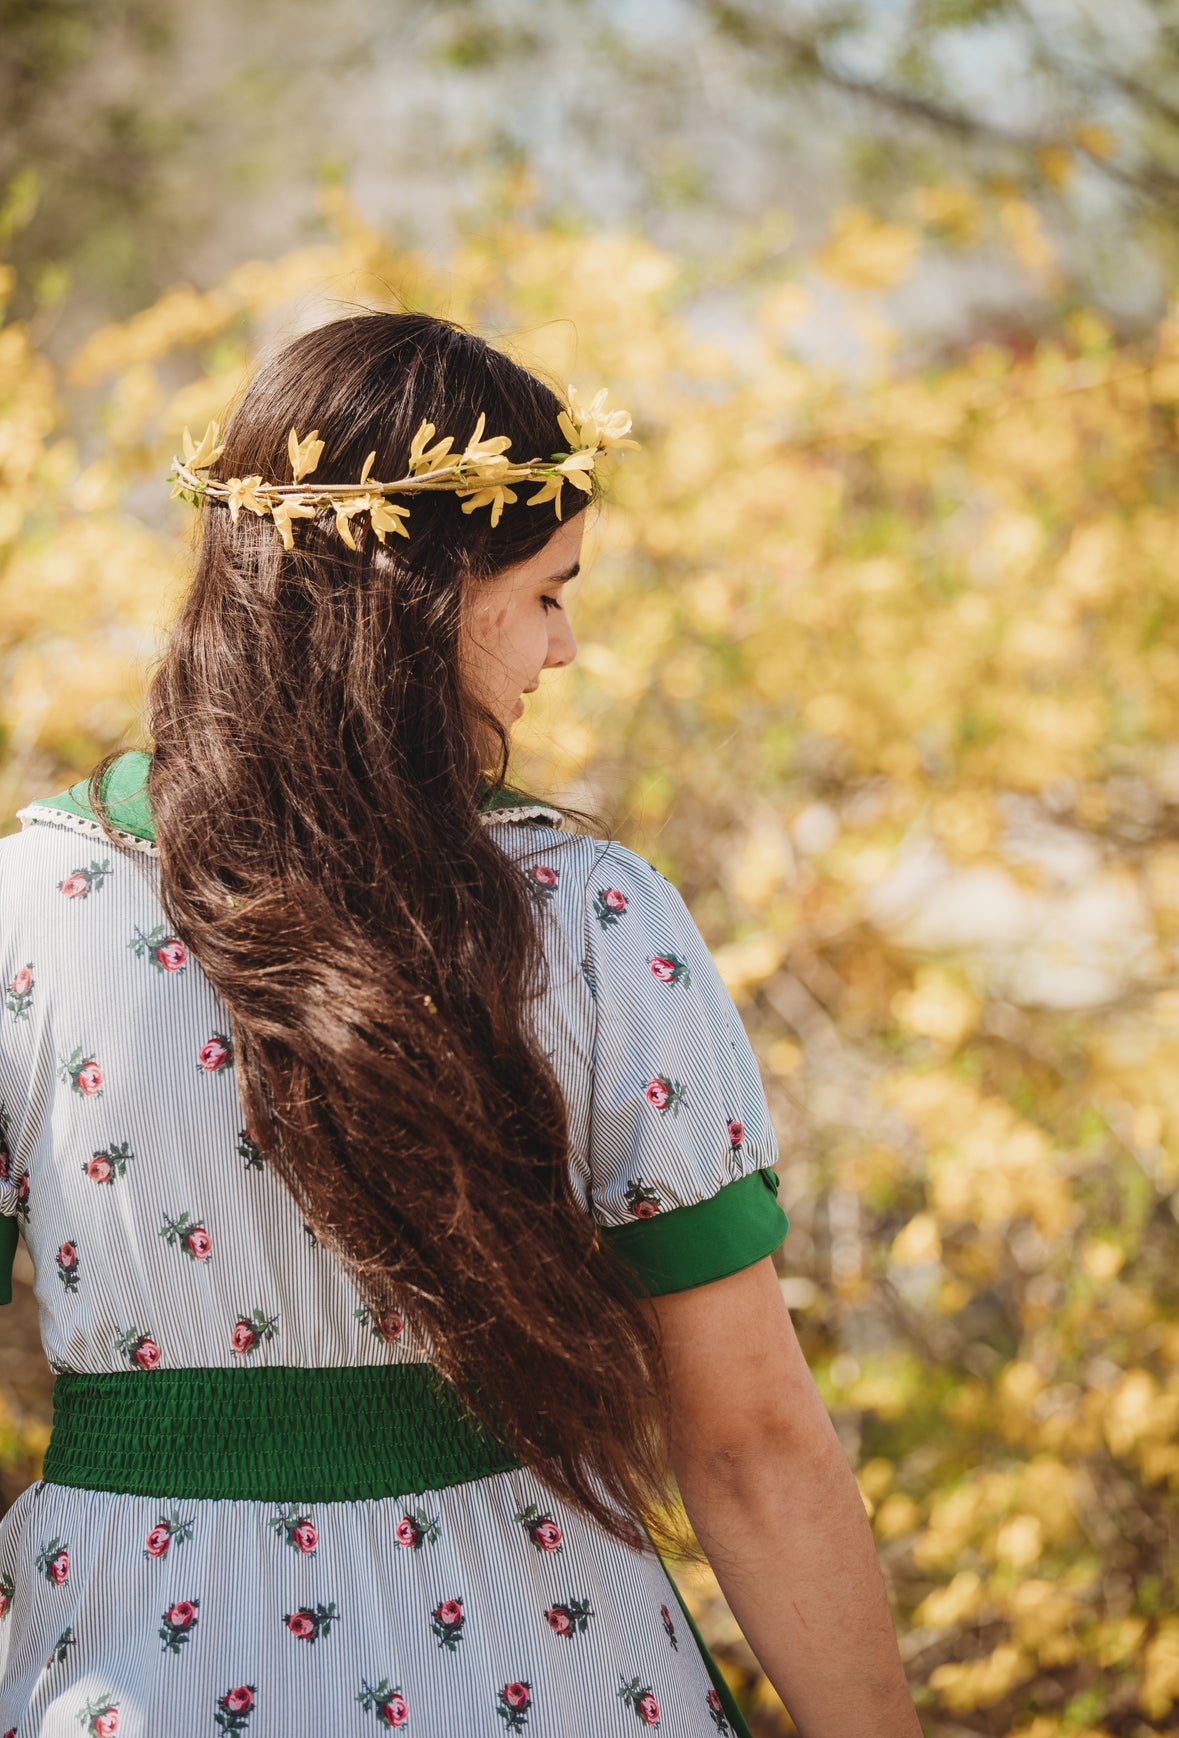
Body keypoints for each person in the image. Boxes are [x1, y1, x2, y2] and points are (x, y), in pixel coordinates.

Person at [0, 312, 920, 1737]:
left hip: (136, 1670)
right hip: (541, 1667)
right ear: (418, 598)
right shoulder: (600, 922)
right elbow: (746, 1439)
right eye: (548, 593)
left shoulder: (29, 909)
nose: (563, 649)